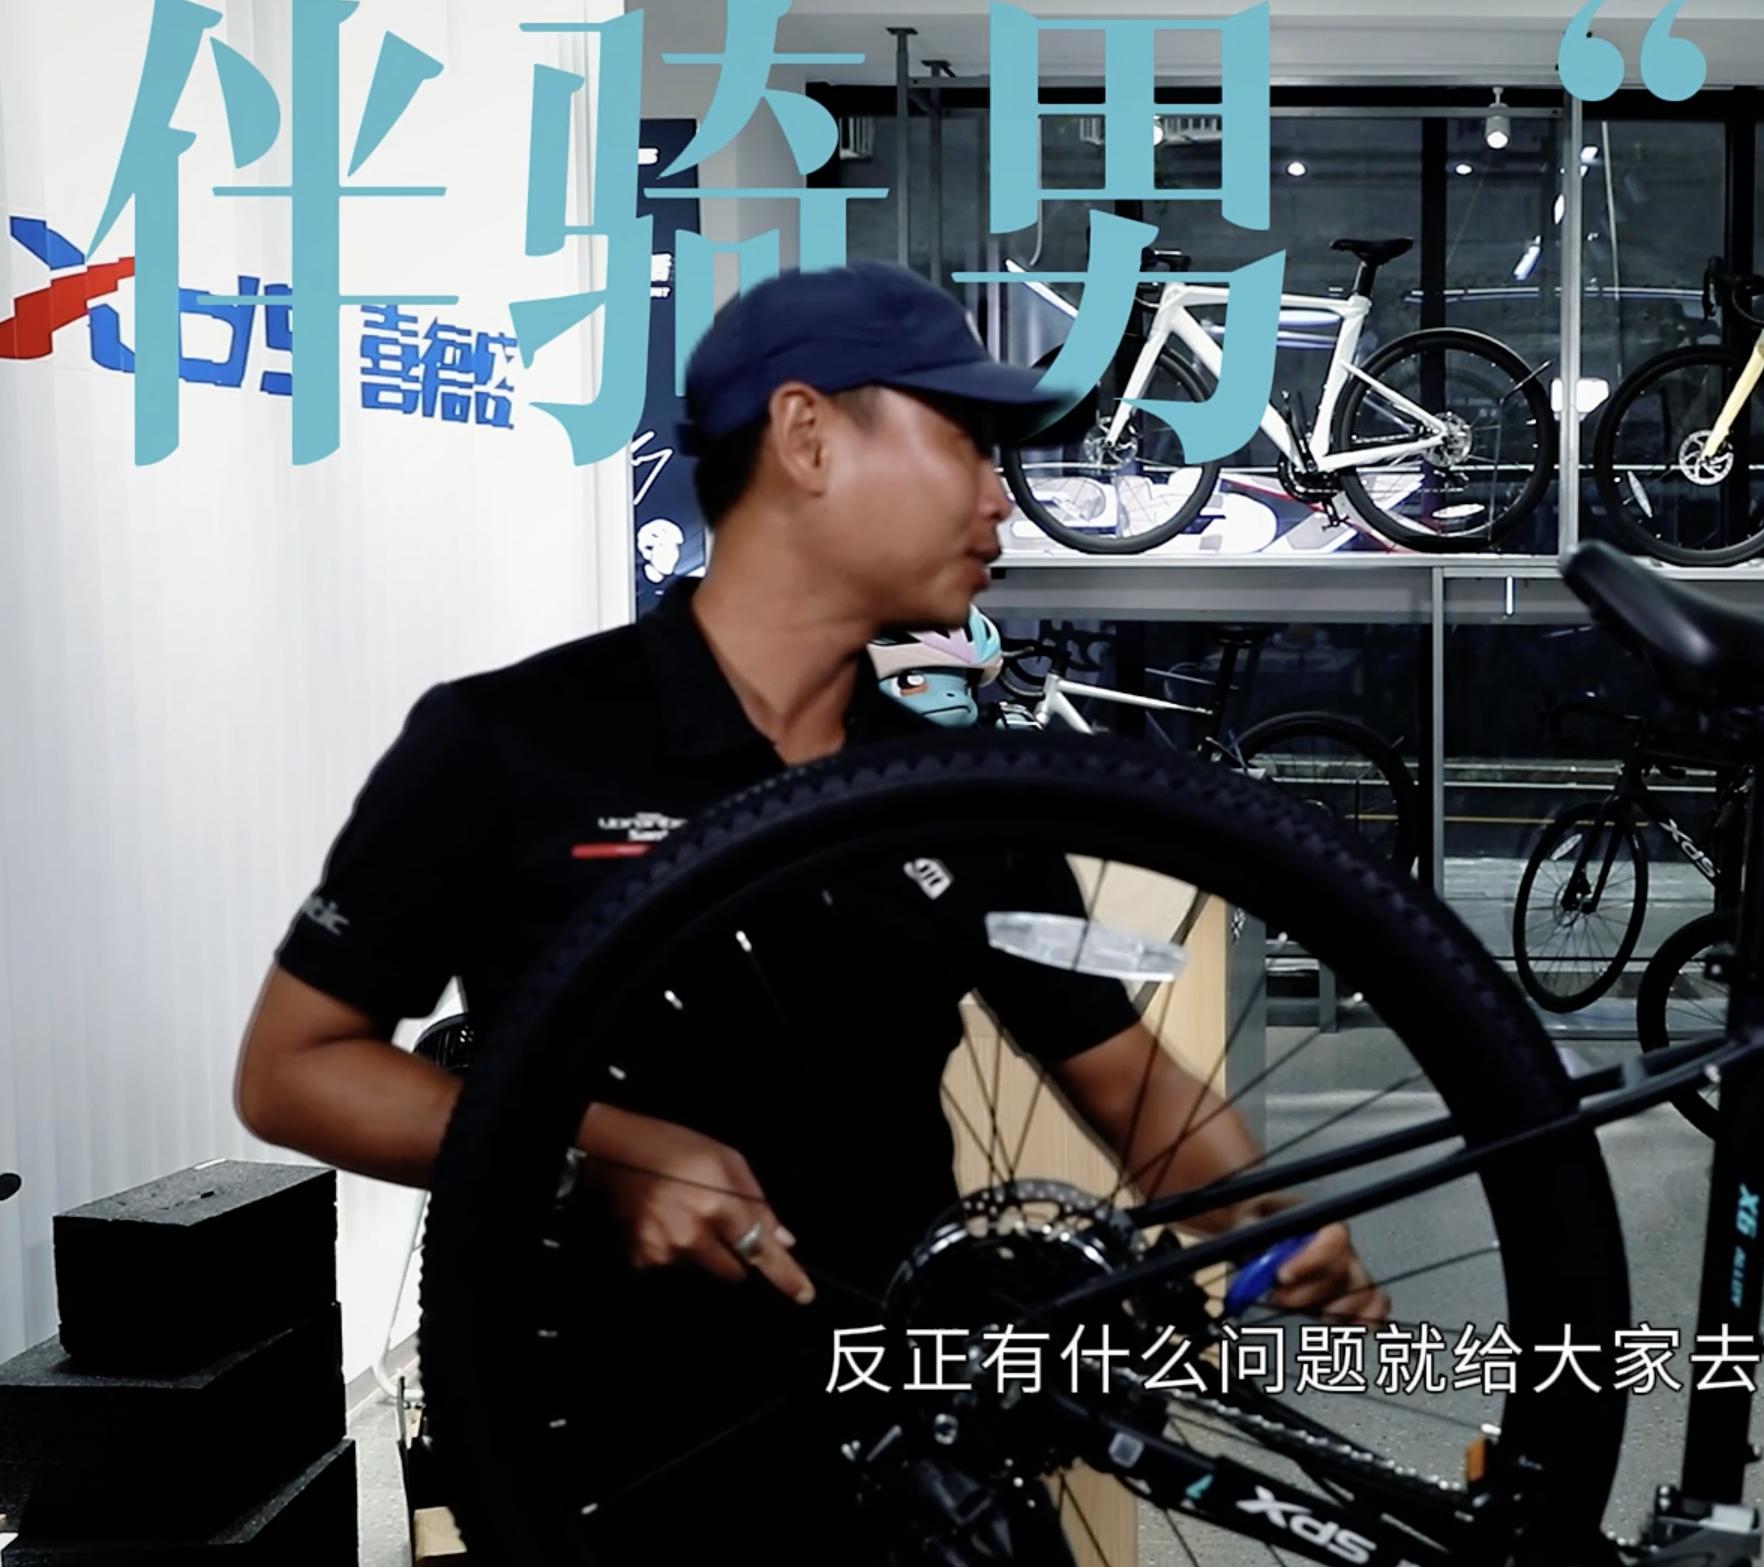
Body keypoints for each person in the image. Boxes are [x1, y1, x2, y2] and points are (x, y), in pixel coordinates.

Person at [233, 263, 1386, 1562]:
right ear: (808, 435)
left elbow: (1122, 1073)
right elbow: (295, 1070)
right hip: (609, 1449)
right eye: (966, 442)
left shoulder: (954, 788)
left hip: (917, 1427)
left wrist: (1265, 1215)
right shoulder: (509, 743)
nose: (1000, 496)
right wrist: (601, 1146)